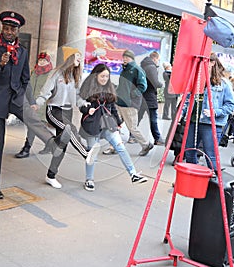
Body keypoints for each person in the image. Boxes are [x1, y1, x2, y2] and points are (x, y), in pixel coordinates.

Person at [0, 11, 72, 199]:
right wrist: (1, 65)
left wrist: (30, 102)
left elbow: (24, 80)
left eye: (12, 29)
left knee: (32, 119)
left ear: (17, 31)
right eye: (6, 28)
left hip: (15, 97)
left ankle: (52, 144)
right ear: (2, 29)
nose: (8, 32)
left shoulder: (22, 52)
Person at [36, 46, 100, 189]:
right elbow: (45, 92)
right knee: (69, 129)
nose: (79, 59)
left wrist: (86, 106)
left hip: (67, 111)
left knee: (62, 145)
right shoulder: (56, 74)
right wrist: (37, 104)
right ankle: (86, 153)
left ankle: (50, 175)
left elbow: (77, 98)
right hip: (54, 110)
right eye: (77, 56)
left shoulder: (76, 77)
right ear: (69, 58)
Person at [79, 63, 148, 191]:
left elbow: (112, 107)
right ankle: (89, 179)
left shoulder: (109, 87)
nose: (105, 79)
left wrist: (118, 122)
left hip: (107, 124)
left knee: (120, 147)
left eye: (107, 76)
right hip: (92, 124)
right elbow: (80, 103)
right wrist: (87, 109)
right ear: (96, 75)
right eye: (102, 76)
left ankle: (133, 174)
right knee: (92, 153)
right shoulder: (87, 87)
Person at [184, 52, 234, 172]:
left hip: (211, 123)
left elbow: (231, 105)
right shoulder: (197, 80)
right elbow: (188, 99)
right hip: (193, 120)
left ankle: (216, 183)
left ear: (212, 63)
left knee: (210, 155)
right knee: (189, 152)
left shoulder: (223, 84)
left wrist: (215, 111)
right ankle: (195, 178)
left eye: (204, 63)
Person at [113, 49, 153, 156]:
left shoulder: (136, 69)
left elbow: (143, 86)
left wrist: (131, 95)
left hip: (129, 104)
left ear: (132, 58)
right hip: (120, 102)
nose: (124, 59)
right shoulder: (125, 70)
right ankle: (114, 146)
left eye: (127, 57)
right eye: (124, 57)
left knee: (132, 128)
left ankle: (146, 144)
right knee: (114, 125)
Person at [15, 52, 53, 158]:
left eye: (44, 60)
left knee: (33, 126)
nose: (42, 62)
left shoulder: (50, 75)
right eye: (40, 60)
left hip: (42, 105)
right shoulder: (33, 72)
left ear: (48, 62)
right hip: (30, 103)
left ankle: (27, 148)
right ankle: (50, 142)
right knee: (36, 126)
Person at [139, 51, 164, 145]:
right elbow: (155, 83)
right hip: (150, 96)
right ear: (155, 58)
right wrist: (161, 84)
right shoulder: (151, 67)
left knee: (138, 117)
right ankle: (157, 138)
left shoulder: (143, 66)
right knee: (153, 118)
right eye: (158, 60)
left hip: (142, 96)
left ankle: (132, 136)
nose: (158, 62)